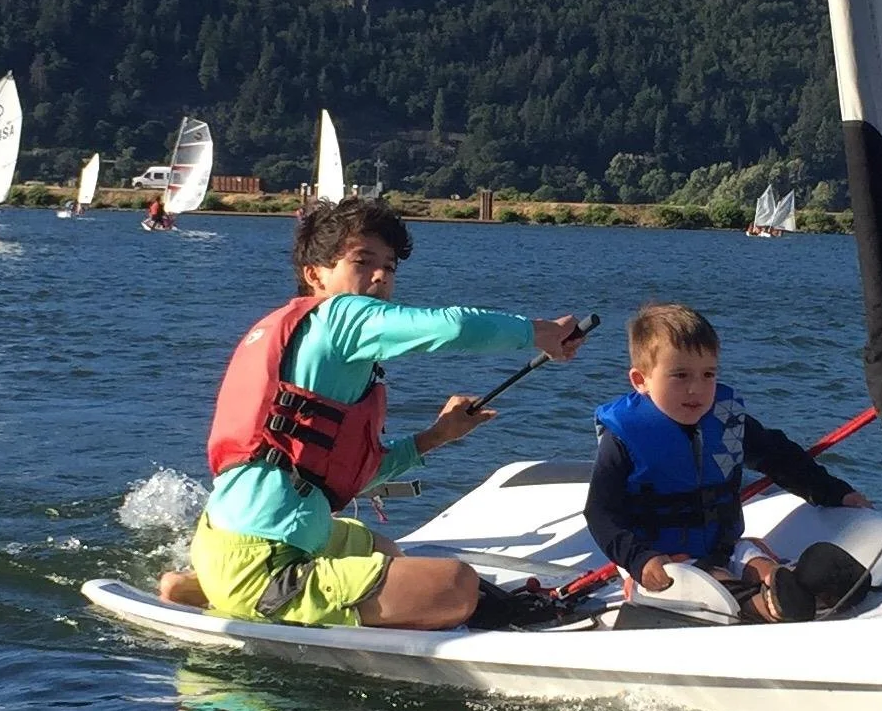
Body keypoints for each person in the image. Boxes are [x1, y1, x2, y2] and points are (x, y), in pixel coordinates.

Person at [165, 196, 585, 631]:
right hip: (264, 557)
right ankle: (243, 593)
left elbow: (340, 471)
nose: (381, 275)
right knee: (455, 585)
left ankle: (203, 586)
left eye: (390, 265)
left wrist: (436, 436)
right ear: (315, 275)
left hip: (225, 541)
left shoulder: (305, 336)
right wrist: (542, 332)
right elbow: (453, 326)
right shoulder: (340, 316)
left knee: (386, 551)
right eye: (363, 262)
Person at [585, 301, 871, 623]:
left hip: (725, 546)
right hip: (664, 561)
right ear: (641, 380)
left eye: (708, 374)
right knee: (710, 584)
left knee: (752, 559)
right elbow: (600, 512)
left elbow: (779, 457)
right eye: (680, 375)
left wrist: (834, 492)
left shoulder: (726, 420)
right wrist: (639, 559)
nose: (697, 388)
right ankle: (770, 605)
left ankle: (801, 581)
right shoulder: (624, 438)